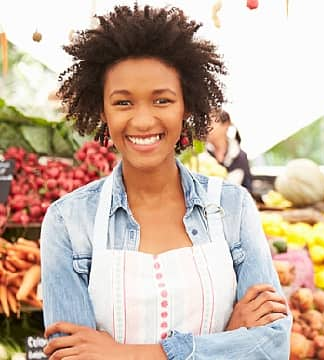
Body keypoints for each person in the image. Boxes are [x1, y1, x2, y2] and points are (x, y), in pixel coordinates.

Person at [40, 5, 291, 359]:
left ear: (186, 108)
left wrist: (125, 354)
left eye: (162, 100)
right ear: (102, 111)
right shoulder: (68, 221)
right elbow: (73, 356)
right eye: (123, 102)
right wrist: (229, 337)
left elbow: (272, 348)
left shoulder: (233, 207)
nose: (143, 120)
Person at [206, 110, 253, 192]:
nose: (206, 127)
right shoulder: (199, 156)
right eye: (205, 123)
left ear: (226, 125)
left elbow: (248, 190)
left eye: (211, 122)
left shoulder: (240, 157)